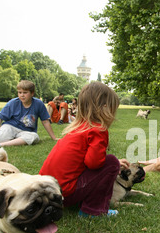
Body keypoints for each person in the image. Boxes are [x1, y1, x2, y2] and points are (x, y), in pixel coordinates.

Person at [39, 82, 130, 217]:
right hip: (65, 194)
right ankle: (92, 210)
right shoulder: (98, 129)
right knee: (111, 162)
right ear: (104, 107)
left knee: (111, 162)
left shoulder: (78, 128)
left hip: (45, 191)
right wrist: (113, 163)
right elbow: (94, 163)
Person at [0, 80, 58, 151]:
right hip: (10, 126)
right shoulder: (13, 103)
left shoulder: (38, 104)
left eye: (25, 93)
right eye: (20, 92)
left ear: (32, 93)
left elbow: (45, 121)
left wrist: (53, 138)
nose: (22, 95)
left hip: (27, 131)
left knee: (34, 137)